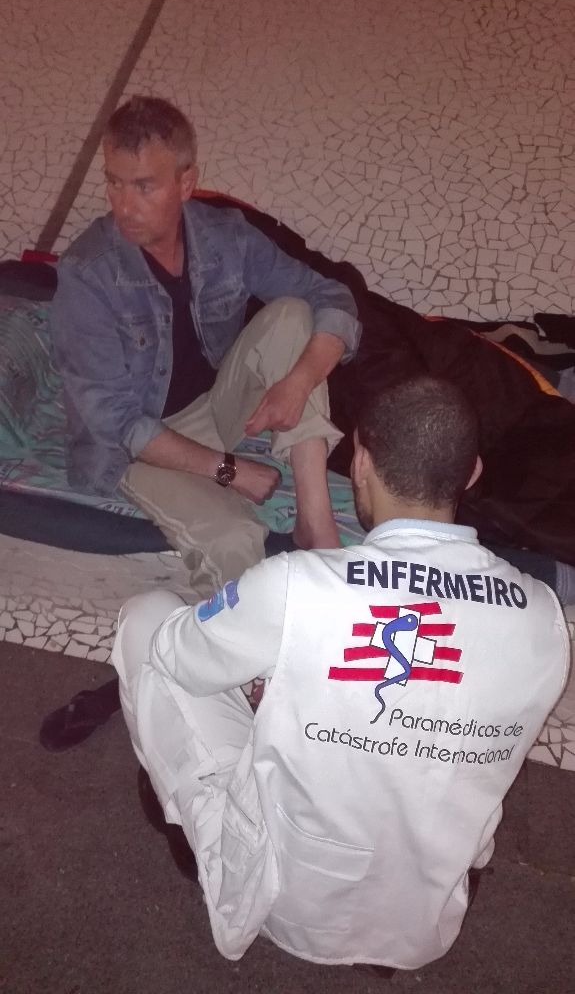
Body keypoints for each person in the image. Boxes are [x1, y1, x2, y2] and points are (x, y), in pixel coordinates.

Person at [111, 375, 569, 970]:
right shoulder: (543, 615)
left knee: (148, 621)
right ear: (472, 474)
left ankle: (202, 836)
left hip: (284, 903)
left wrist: (265, 664)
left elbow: (180, 658)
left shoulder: (297, 584)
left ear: (360, 464)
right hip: (424, 918)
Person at [41, 94, 360, 750]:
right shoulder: (87, 274)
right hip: (137, 444)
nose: (123, 204)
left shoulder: (224, 236)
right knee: (234, 537)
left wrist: (298, 381)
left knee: (293, 317)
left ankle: (314, 521)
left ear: (186, 182)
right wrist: (228, 471)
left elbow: (332, 297)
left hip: (218, 405)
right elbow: (115, 420)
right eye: (113, 182)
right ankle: (233, 683)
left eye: (145, 185)